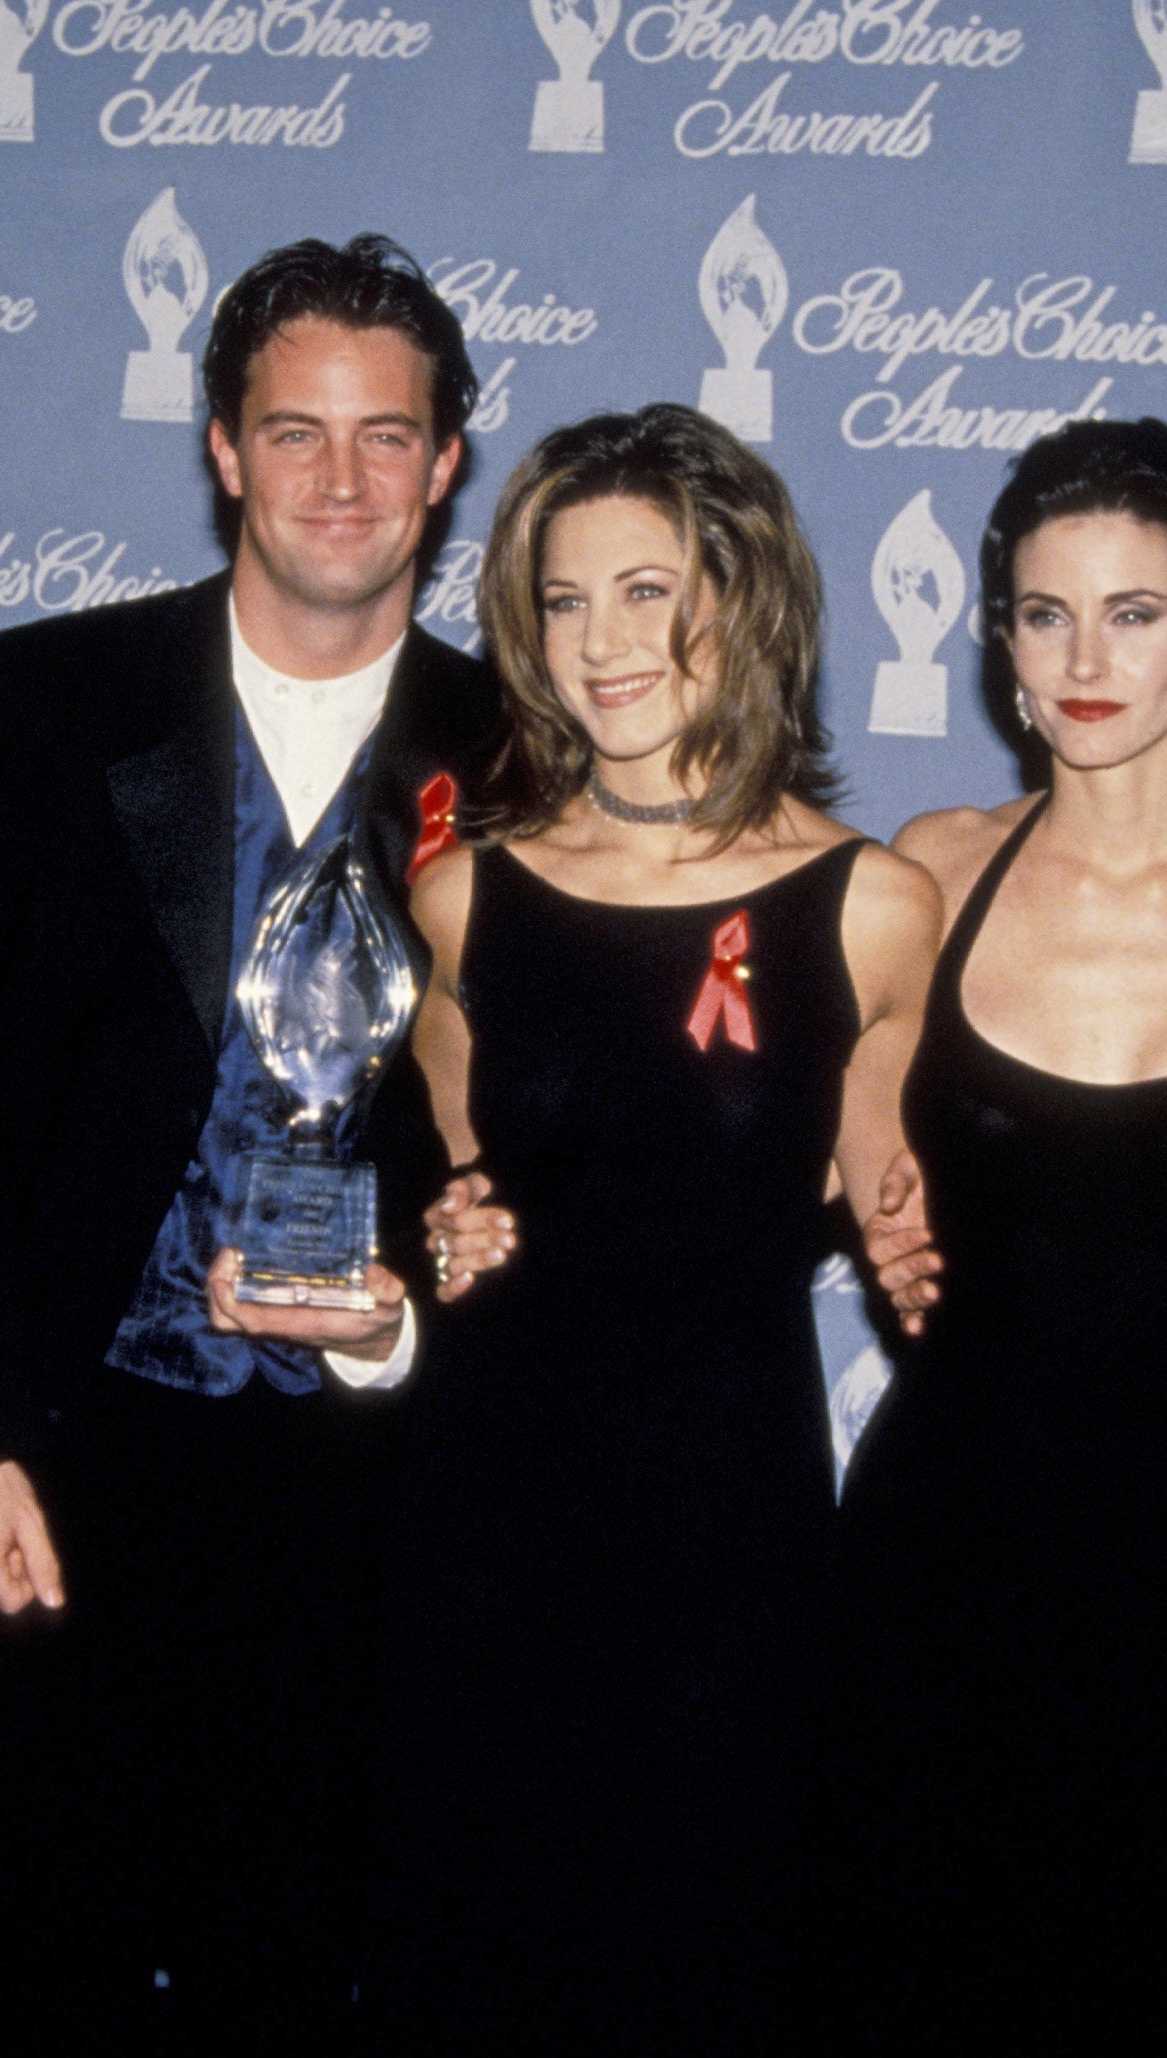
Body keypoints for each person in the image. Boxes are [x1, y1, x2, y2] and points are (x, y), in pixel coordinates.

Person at [0, 235, 502, 2051]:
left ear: (447, 463)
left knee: (304, 1960)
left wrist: (414, 1325)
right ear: (221, 448)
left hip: (374, 1492)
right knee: (26, 1948)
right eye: (292, 430)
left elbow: (548, 1151)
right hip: (69, 1448)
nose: (339, 479)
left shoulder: (526, 747)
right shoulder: (32, 705)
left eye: (385, 436)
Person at [362, 404, 941, 2054]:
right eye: (563, 601)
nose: (602, 643)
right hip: (486, 1515)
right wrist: (442, 1240)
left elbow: (917, 1211)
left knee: (708, 1957)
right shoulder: (468, 893)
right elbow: (449, 1189)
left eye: (647, 590)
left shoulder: (875, 906)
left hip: (729, 1529)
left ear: (740, 601)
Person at [829, 417, 1167, 2052]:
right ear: (999, 642)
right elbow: (809, 1134)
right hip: (945, 1570)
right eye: (1045, 614)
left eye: (1136, 612)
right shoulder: (928, 875)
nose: (1087, 658)